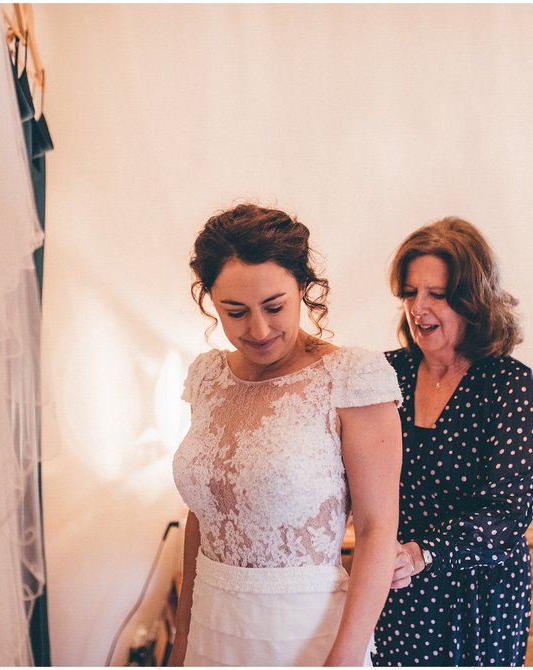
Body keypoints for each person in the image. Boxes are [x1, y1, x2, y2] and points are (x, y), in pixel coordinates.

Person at [170, 203, 403, 667]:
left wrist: (345, 657)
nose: (258, 330)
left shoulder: (352, 378)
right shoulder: (207, 378)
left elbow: (378, 532)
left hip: (303, 634)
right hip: (211, 629)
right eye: (234, 312)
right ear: (209, 299)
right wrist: (181, 639)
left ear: (303, 288)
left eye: (274, 307)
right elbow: (203, 515)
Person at [372, 217, 533, 666]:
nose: (418, 307)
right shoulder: (385, 376)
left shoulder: (508, 385)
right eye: (410, 293)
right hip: (399, 585)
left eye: (437, 294)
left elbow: (508, 511)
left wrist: (423, 552)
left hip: (480, 595)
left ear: (472, 301)